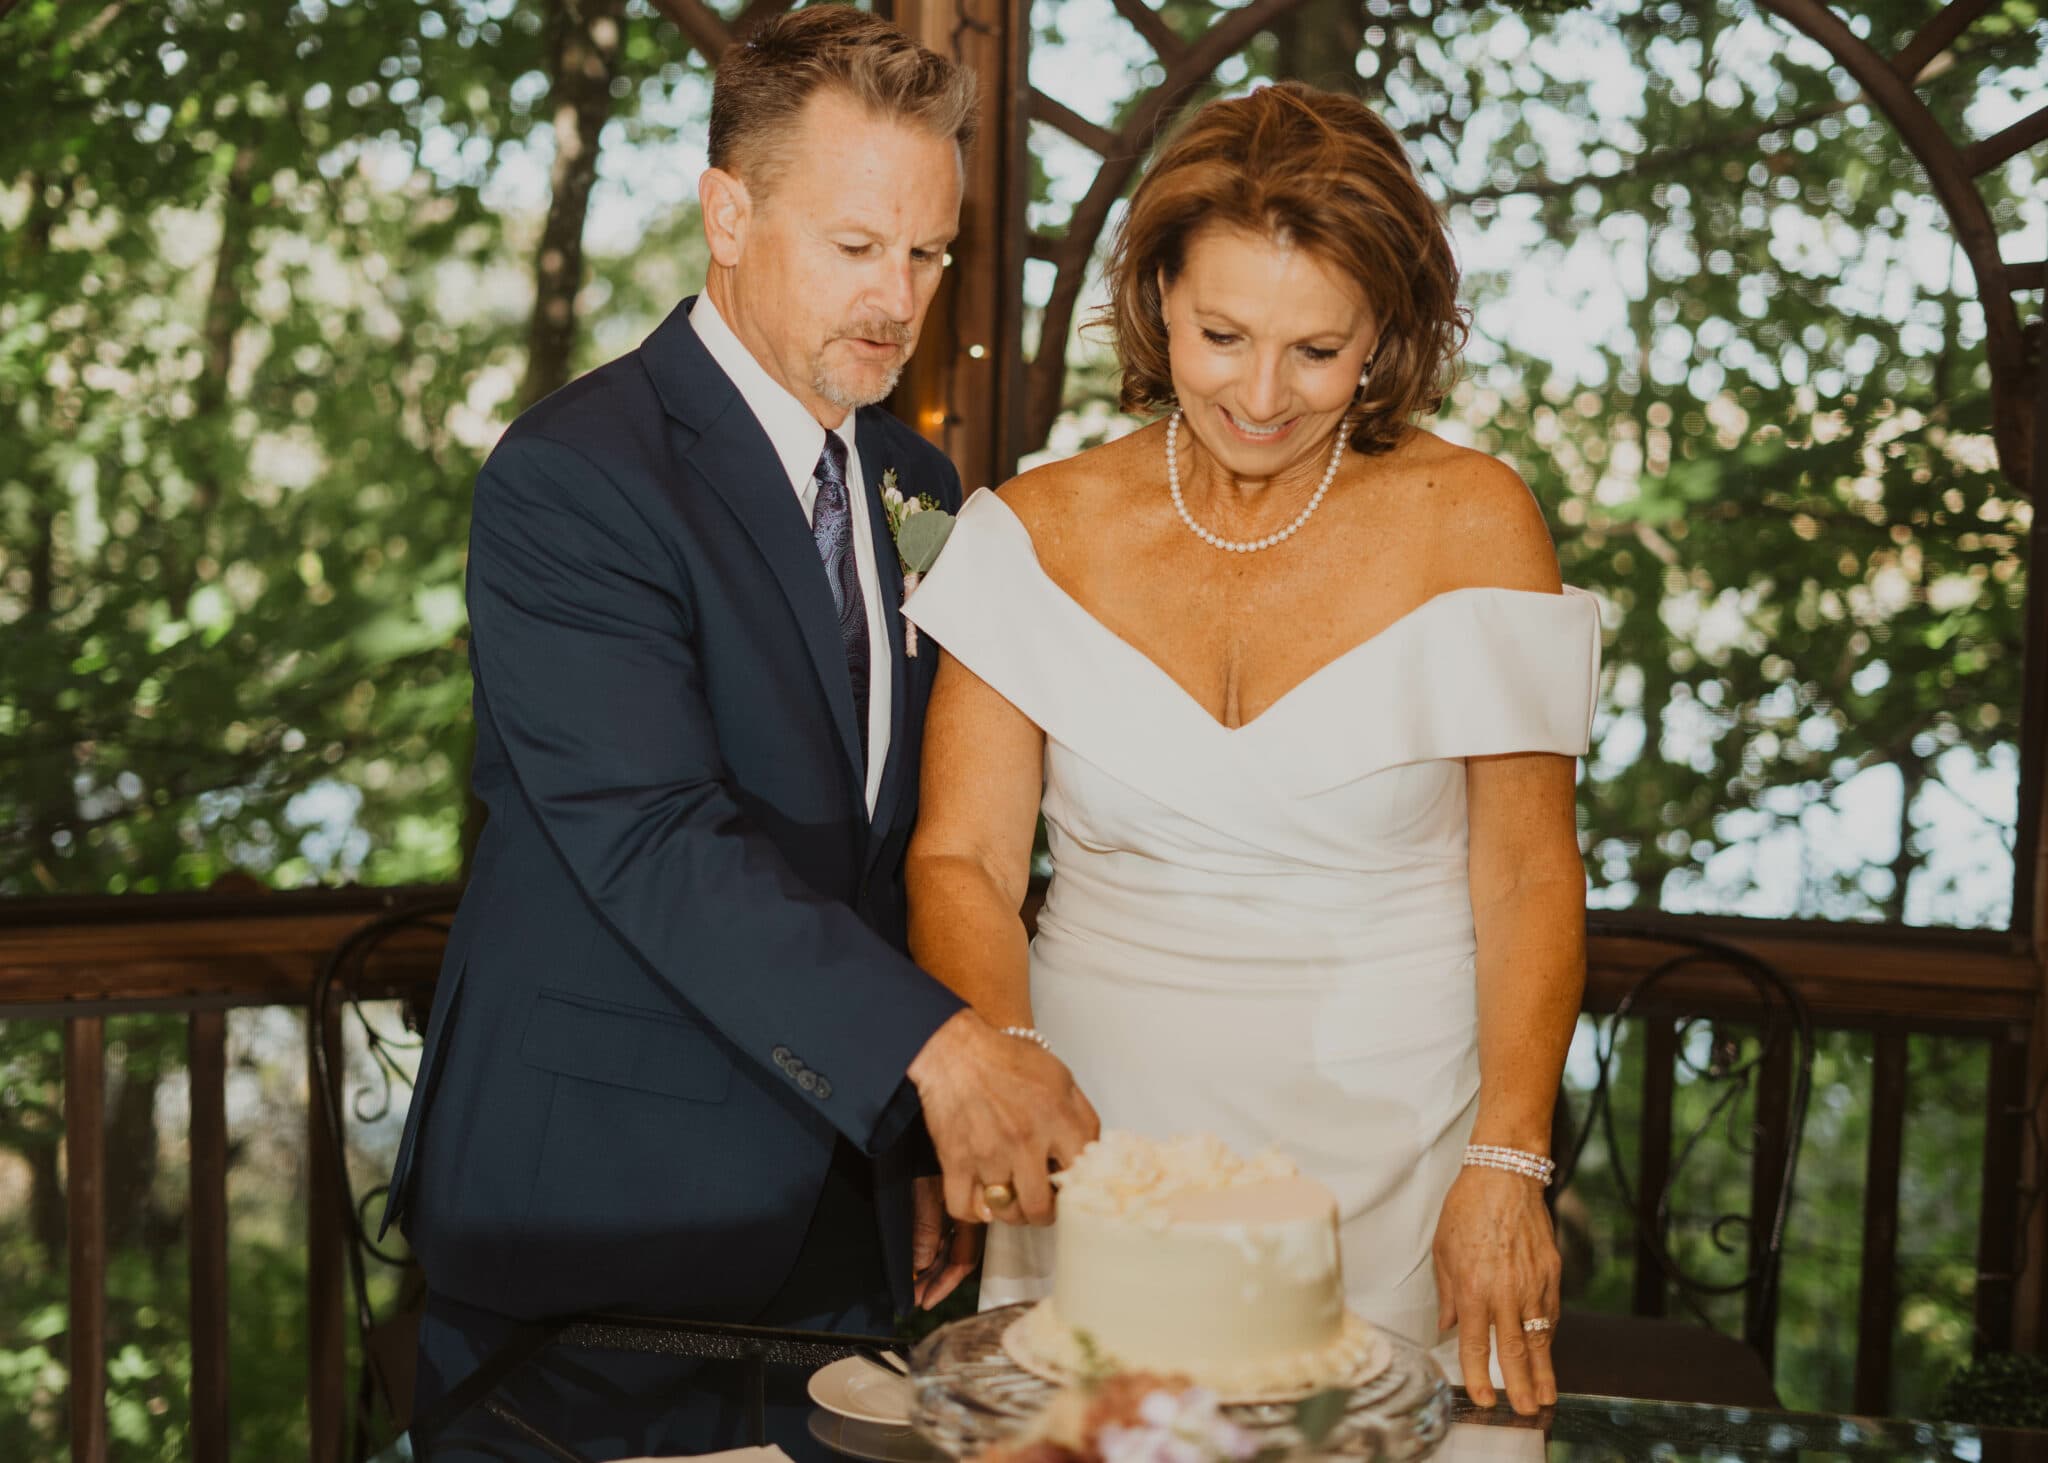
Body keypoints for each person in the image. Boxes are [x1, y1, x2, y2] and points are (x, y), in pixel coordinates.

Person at [380, 9, 1098, 1458]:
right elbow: (653, 838)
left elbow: (882, 847)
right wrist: (942, 1057)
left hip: (835, 1240)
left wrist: (894, 1137)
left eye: (929, 252)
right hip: (593, 1233)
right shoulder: (576, 474)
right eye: (855, 247)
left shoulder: (915, 475)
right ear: (727, 212)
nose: (900, 298)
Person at [901, 81, 1599, 1417]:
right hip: (1097, 1151)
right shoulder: (1034, 532)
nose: (1264, 396)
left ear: (1388, 336)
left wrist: (1509, 1165)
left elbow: (1526, 874)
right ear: (1157, 297)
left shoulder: (1476, 522)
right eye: (1223, 334)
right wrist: (999, 1065)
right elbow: (963, 857)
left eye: (1319, 352)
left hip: (1400, 1160)